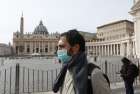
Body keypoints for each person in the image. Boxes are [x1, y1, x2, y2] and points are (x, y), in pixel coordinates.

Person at [53, 29, 111, 94]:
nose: (58, 50)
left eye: (61, 46)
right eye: (57, 47)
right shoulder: (66, 70)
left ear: (76, 47)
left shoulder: (95, 75)